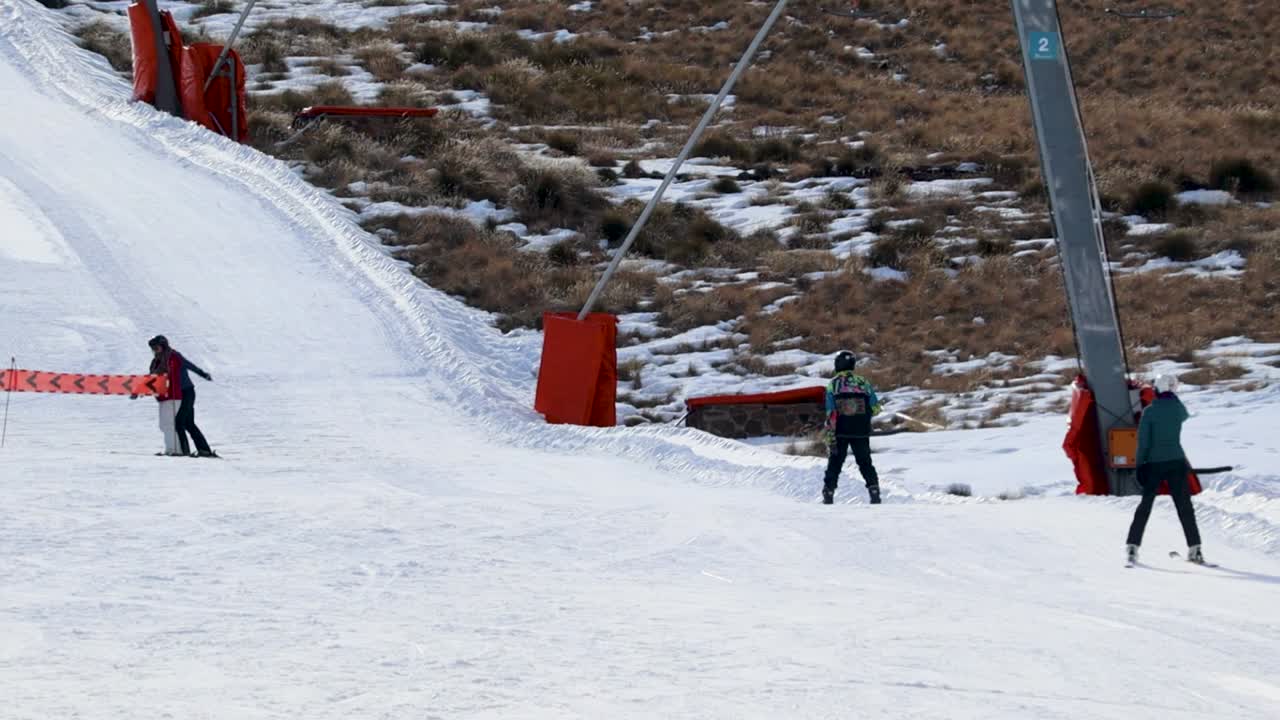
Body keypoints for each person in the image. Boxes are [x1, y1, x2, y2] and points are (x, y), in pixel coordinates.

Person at [1126, 375, 1203, 565]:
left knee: (1145, 506)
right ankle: (1195, 549)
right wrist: (1172, 396)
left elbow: (1143, 443)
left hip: (1154, 464)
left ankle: (1132, 547)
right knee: (1184, 506)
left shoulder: (1150, 412)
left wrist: (1139, 465)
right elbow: (1184, 415)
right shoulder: (1178, 409)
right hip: (1176, 462)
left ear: (1156, 390)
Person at [821, 351, 882, 505]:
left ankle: (829, 492)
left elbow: (831, 412)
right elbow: (875, 408)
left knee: (835, 462)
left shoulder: (833, 384)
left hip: (840, 431)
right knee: (865, 462)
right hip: (861, 430)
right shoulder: (863, 382)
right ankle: (874, 490)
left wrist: (830, 435)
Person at [148, 335, 217, 458]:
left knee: (180, 422)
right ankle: (204, 450)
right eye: (153, 348)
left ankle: (184, 452)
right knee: (189, 423)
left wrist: (203, 374)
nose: (154, 350)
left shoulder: (174, 356)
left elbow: (190, 365)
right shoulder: (156, 362)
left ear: (163, 346)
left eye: (156, 347)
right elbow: (151, 379)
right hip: (177, 394)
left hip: (187, 392)